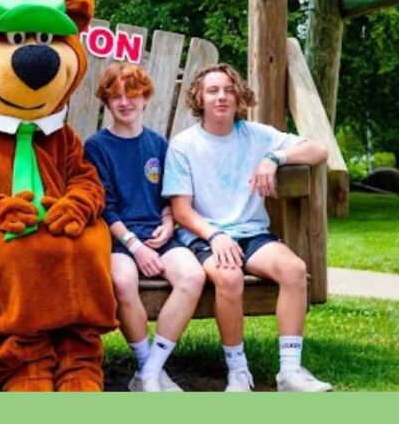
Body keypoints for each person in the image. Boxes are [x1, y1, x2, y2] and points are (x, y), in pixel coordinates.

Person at [163, 63, 333, 392]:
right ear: (199, 97)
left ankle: (290, 372)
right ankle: (238, 372)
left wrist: (275, 158)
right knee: (228, 277)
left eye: (228, 89)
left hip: (252, 233)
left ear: (238, 95)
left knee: (295, 269)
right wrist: (215, 236)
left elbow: (319, 150)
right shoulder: (185, 145)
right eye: (213, 91)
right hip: (205, 235)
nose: (222, 97)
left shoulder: (257, 136)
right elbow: (181, 210)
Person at [83, 64, 205, 392]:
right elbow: (103, 208)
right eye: (116, 96)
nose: (125, 102)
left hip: (160, 234)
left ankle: (151, 371)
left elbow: (169, 195)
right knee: (123, 282)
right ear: (106, 102)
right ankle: (145, 364)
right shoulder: (96, 147)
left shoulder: (159, 144)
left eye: (132, 94)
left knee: (193, 276)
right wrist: (135, 247)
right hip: (119, 237)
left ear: (145, 97)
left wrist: (167, 224)